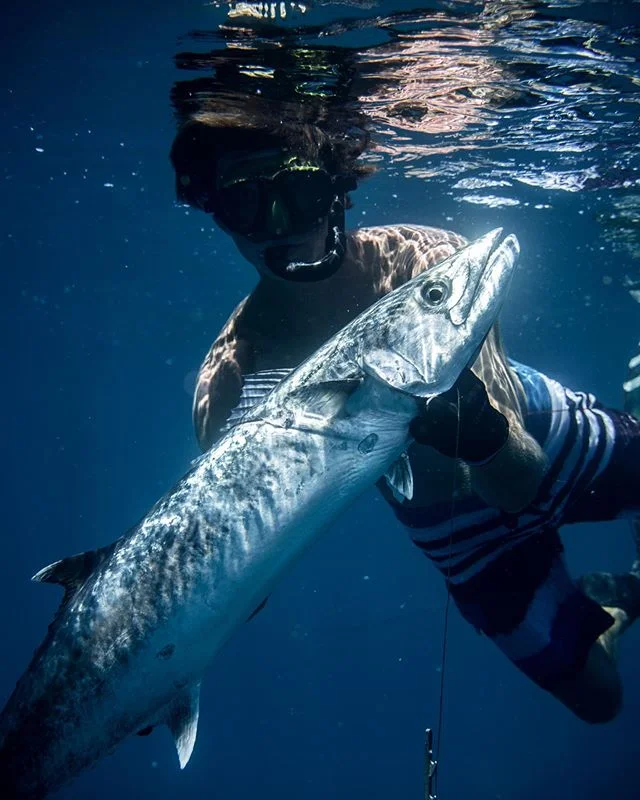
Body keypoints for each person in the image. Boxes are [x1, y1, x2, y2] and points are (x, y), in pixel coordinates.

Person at [170, 107, 640, 725]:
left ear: (335, 186)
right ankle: (618, 602)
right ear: (217, 217)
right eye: (245, 205)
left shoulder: (431, 265)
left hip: (539, 433)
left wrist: (483, 436)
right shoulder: (232, 380)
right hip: (451, 526)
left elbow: (519, 479)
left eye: (299, 191)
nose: (279, 228)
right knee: (601, 700)